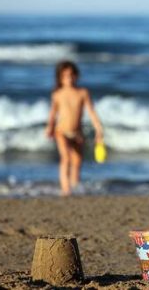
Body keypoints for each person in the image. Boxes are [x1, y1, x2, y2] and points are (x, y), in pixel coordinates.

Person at [45, 61, 103, 196]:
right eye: (65, 76)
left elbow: (91, 112)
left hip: (77, 133)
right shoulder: (57, 94)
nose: (69, 78)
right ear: (59, 78)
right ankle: (66, 189)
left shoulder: (82, 93)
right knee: (65, 158)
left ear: (76, 76)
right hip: (61, 131)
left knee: (77, 161)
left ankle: (74, 185)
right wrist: (50, 127)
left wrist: (98, 129)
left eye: (71, 75)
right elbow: (53, 113)